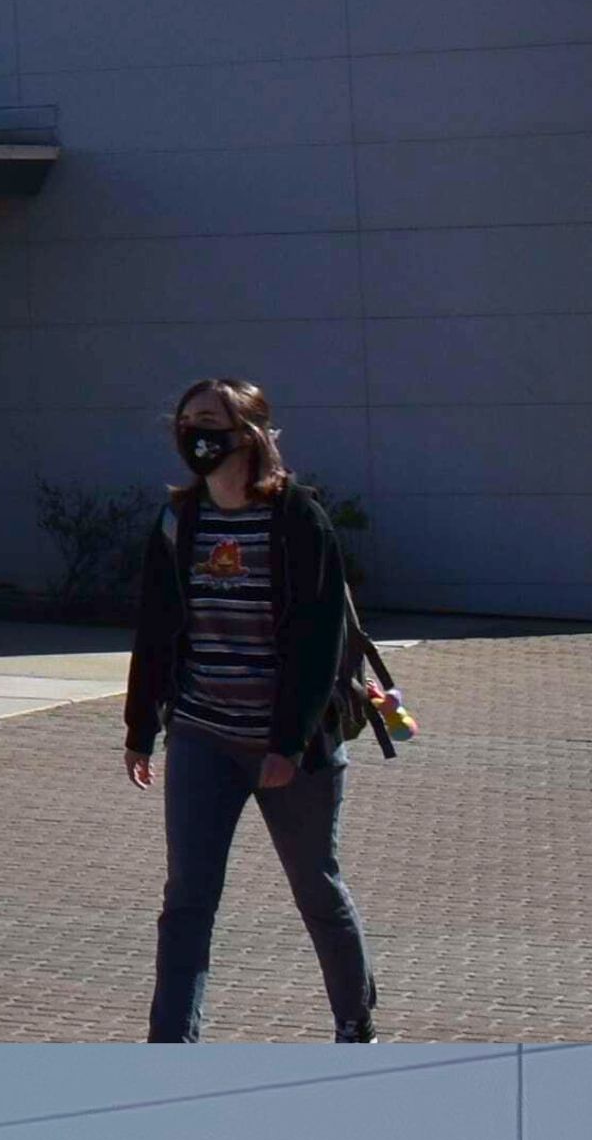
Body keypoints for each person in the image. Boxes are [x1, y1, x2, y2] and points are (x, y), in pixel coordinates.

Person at [122, 378, 406, 1041]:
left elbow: (317, 640)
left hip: (293, 747)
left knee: (317, 890)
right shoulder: (177, 522)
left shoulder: (298, 520)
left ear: (248, 432)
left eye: (212, 420)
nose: (197, 433)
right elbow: (155, 630)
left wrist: (286, 743)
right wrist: (140, 728)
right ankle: (171, 1044)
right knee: (187, 902)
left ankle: (354, 1022)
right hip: (201, 736)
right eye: (188, 420)